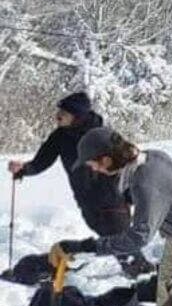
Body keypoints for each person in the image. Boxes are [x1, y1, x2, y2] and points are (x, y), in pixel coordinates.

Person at [50, 127, 172, 306]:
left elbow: (138, 238)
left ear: (106, 160)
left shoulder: (145, 183)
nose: (94, 170)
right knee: (165, 304)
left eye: (94, 165)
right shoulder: (154, 156)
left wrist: (85, 247)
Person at [7, 93, 152, 277]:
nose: (57, 116)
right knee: (110, 239)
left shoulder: (102, 135)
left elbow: (128, 163)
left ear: (77, 116)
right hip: (86, 201)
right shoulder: (60, 136)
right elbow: (41, 162)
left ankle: (143, 276)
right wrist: (23, 169)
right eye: (59, 112)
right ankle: (142, 272)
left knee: (118, 241)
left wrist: (132, 195)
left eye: (63, 113)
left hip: (113, 200)